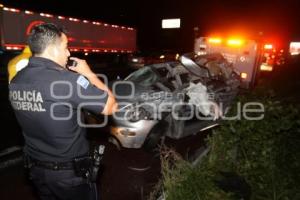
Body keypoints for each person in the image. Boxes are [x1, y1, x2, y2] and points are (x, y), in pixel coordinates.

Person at [9, 23, 118, 200]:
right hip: (69, 177)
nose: (68, 53)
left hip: (37, 173)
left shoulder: (17, 80)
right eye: (66, 47)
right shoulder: (68, 81)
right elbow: (111, 106)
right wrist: (88, 73)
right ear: (52, 49)